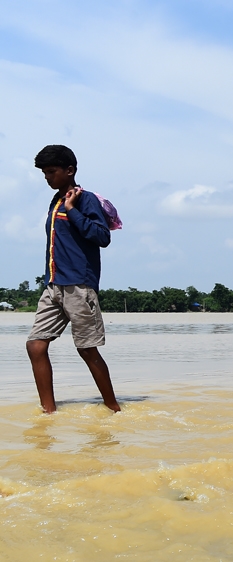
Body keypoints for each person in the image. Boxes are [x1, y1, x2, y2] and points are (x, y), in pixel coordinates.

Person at [25, 145, 120, 413]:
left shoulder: (85, 199)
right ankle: (48, 413)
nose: (47, 177)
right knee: (35, 345)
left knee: (87, 350)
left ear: (70, 171)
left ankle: (114, 410)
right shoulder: (54, 201)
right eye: (44, 173)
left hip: (79, 285)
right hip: (53, 285)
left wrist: (72, 209)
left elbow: (103, 237)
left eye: (52, 171)